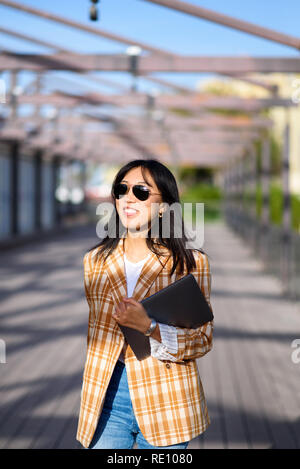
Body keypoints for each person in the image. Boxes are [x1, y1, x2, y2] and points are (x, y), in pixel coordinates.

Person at [76, 159, 214, 449]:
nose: (128, 197)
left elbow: (202, 340)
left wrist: (149, 327)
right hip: (107, 395)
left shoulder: (190, 263)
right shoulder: (94, 262)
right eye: (121, 189)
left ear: (163, 206)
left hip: (168, 397)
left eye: (140, 191)